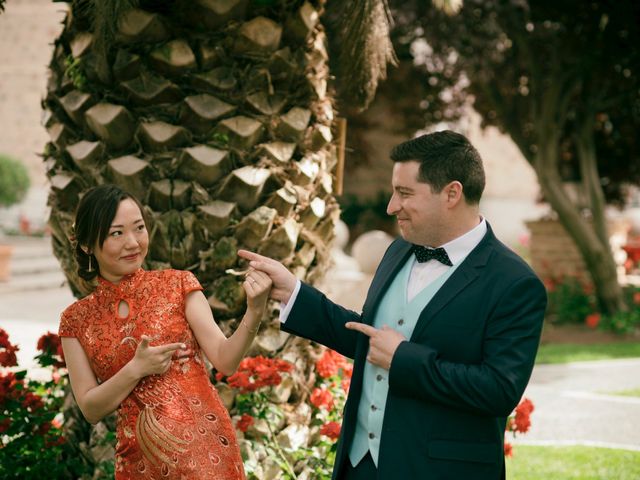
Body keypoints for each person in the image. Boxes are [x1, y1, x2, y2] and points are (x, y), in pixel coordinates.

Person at [239, 130, 547, 480]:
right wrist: (294, 291)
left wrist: (404, 359)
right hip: (359, 467)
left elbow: (498, 390)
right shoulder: (399, 250)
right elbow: (370, 338)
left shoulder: (514, 283)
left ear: (451, 193)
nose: (391, 206)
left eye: (404, 193)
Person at [59, 184, 272, 479]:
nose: (133, 242)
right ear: (86, 244)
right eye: (116, 233)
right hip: (138, 466)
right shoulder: (75, 320)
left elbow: (225, 360)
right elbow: (90, 408)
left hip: (207, 456)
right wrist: (136, 369)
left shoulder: (178, 285)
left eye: (139, 228)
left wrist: (255, 310)